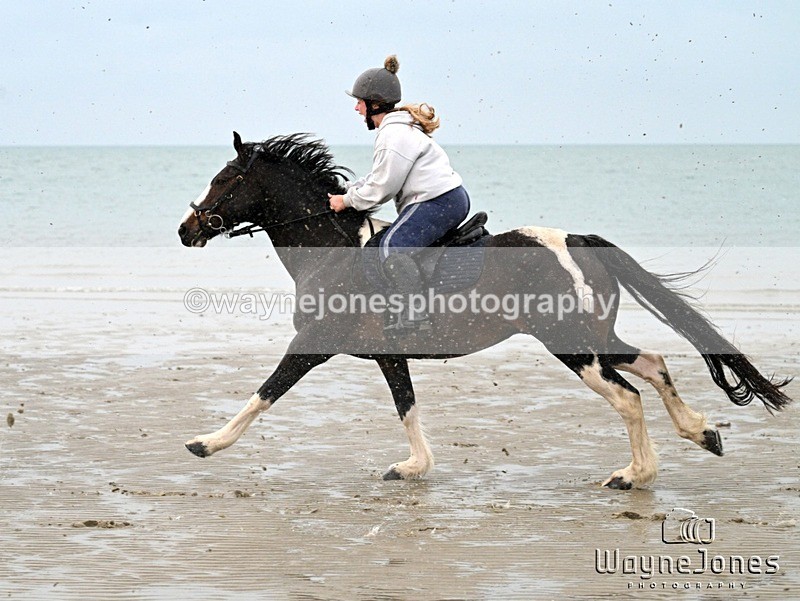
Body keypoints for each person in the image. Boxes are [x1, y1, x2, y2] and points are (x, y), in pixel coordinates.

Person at [328, 55, 470, 334]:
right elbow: (380, 176)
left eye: (360, 102)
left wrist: (346, 201)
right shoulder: (398, 129)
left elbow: (382, 188)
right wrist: (350, 190)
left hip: (436, 201)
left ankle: (417, 319)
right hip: (446, 198)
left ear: (375, 104)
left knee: (391, 247)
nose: (357, 108)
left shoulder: (393, 134)